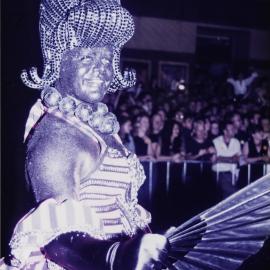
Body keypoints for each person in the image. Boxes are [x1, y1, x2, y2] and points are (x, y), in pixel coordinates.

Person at [3, 1, 167, 269]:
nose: (101, 70)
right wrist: (119, 256)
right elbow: (58, 241)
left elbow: (122, 209)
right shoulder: (57, 136)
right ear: (59, 60)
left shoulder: (93, 123)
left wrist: (148, 244)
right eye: (87, 57)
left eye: (106, 60)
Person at [212, 120, 242, 199]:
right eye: (231, 129)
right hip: (219, 173)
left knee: (227, 197)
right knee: (234, 194)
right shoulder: (216, 141)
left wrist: (222, 158)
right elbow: (215, 159)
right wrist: (230, 159)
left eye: (233, 129)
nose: (234, 131)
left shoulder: (236, 142)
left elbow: (236, 159)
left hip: (232, 174)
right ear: (225, 131)